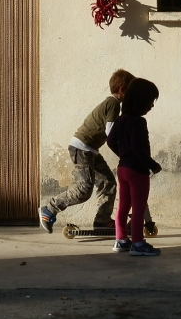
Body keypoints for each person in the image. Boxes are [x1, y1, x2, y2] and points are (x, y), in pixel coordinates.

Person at [39, 69, 135, 234]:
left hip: (89, 150)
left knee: (108, 182)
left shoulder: (112, 104)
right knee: (84, 190)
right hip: (82, 149)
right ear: (122, 89)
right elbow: (111, 132)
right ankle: (49, 209)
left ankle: (102, 221)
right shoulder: (113, 103)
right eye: (131, 91)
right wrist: (125, 153)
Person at [106, 78, 162, 256]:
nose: (152, 106)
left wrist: (123, 154)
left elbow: (110, 140)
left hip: (122, 169)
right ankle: (138, 243)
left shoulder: (121, 120)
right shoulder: (139, 122)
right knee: (138, 208)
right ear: (141, 101)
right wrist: (151, 164)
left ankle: (121, 240)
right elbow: (138, 148)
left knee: (123, 206)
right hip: (137, 171)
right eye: (150, 101)